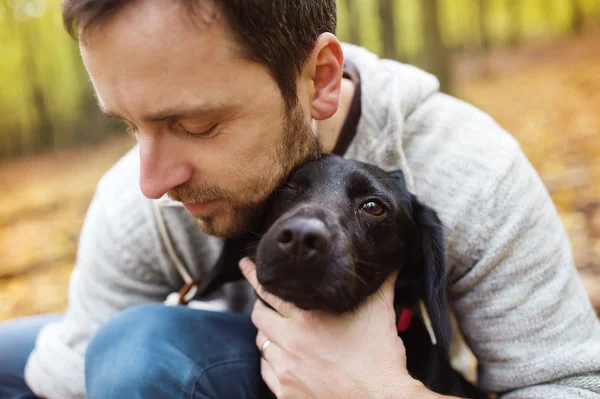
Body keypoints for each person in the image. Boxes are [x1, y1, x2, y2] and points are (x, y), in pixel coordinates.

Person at [1, 0, 599, 398]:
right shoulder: (132, 204)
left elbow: (572, 384)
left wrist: (384, 393)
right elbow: (63, 382)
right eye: (129, 126)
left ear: (319, 78)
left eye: (196, 122)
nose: (151, 183)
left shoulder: (472, 172)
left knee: (140, 351)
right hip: (229, 344)